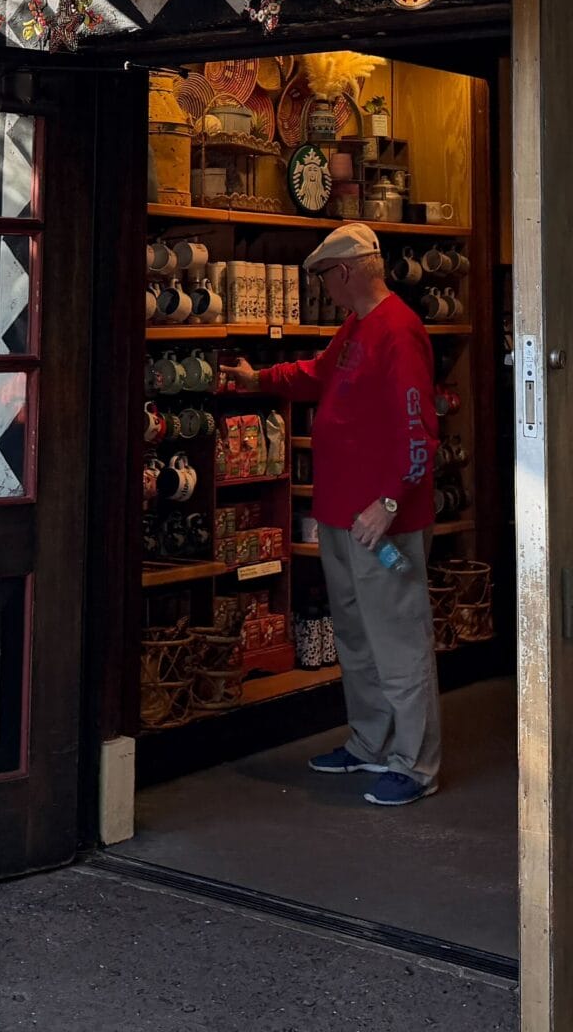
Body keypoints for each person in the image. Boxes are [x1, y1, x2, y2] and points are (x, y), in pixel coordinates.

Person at [220, 222, 441, 806]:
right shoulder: (359, 325)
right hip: (344, 517)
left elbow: (420, 429)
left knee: (398, 637)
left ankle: (415, 764)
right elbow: (317, 375)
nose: (322, 288)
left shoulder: (398, 331)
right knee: (358, 636)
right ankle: (372, 743)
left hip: (382, 525)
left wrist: (388, 501)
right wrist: (258, 378)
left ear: (343, 272)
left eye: (323, 277)